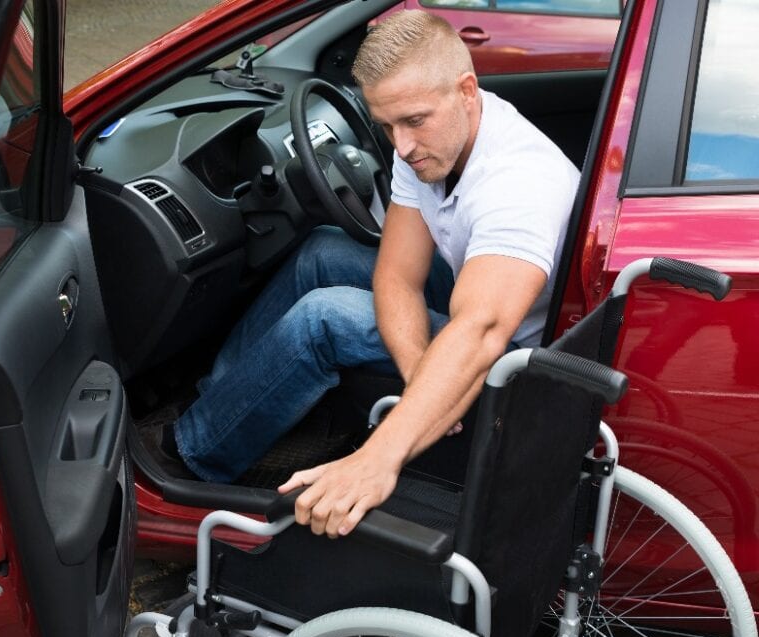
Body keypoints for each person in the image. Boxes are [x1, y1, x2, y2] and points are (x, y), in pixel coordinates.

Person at [173, 9, 579, 537]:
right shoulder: (435, 139)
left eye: (413, 121)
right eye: (386, 126)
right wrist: (417, 371)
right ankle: (225, 400)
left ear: (466, 89)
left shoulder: (517, 187)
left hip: (516, 355)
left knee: (324, 317)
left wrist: (377, 459)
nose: (402, 147)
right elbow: (397, 275)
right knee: (322, 251)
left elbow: (480, 331)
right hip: (467, 299)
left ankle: (196, 457)